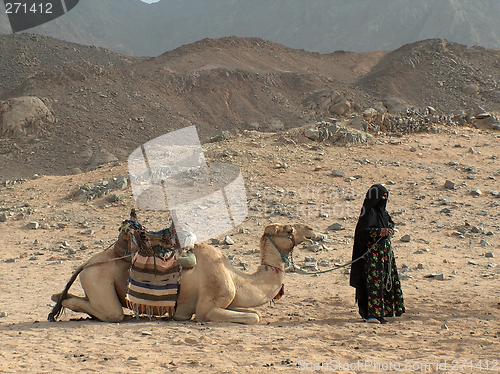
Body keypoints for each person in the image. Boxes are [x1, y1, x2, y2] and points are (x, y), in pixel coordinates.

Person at [349, 184, 405, 324]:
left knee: (386, 281)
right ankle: (371, 314)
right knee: (374, 284)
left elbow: (391, 224)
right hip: (371, 257)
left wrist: (389, 230)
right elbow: (363, 232)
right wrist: (378, 232)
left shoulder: (383, 213)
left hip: (385, 255)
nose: (384, 199)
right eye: (382, 196)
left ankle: (384, 311)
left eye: (386, 196)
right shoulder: (367, 213)